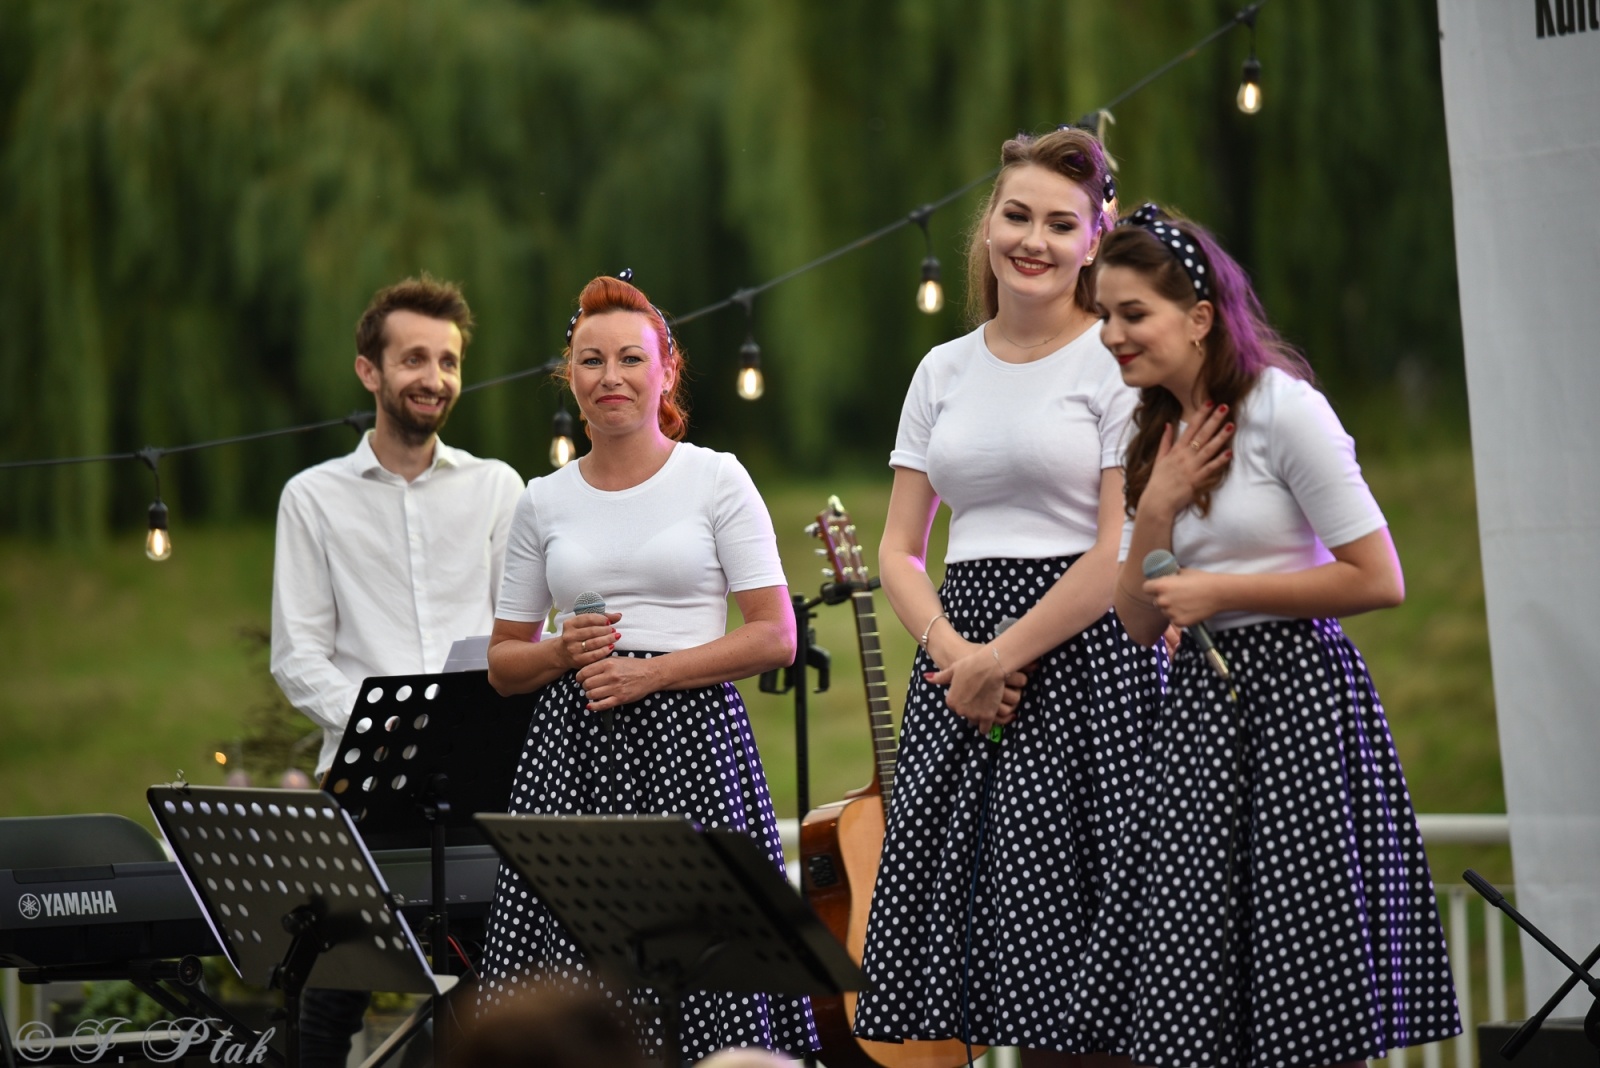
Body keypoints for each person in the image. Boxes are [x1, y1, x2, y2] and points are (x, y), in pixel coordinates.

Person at [1088, 204, 1461, 1067]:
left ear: (1199, 317)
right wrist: (1156, 506)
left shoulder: (1285, 409)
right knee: (1195, 981)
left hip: (1299, 704)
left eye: (1131, 313)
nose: (1111, 334)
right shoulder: (1143, 432)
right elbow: (1139, 618)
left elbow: (1380, 578)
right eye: (1105, 314)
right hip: (1201, 722)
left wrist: (1219, 588)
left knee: (1305, 980)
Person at [853, 127, 1164, 1066]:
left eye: (1059, 223)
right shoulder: (942, 370)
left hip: (1088, 669)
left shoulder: (1115, 364)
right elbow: (900, 552)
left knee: (1088, 977)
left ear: (1094, 237)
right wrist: (959, 658)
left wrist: (1002, 656)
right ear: (988, 223)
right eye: (1016, 214)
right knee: (986, 970)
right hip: (961, 676)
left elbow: (1118, 548)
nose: (1033, 238)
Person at [476, 272, 816, 1065]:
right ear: (570, 378)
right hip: (574, 750)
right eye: (590, 362)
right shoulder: (542, 501)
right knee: (565, 968)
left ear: (666, 371)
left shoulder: (715, 478)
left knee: (703, 974)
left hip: (691, 744)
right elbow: (503, 662)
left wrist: (652, 673)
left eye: (631, 359)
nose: (611, 378)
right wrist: (563, 651)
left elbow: (775, 637)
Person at [270, 274, 524, 1068]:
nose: (435, 379)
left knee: (490, 1004)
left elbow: (516, 637)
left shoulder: (497, 488)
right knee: (323, 1010)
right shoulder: (311, 498)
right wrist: (390, 729)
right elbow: (296, 655)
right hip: (362, 789)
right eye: (415, 358)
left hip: (482, 786)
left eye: (447, 361)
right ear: (368, 372)